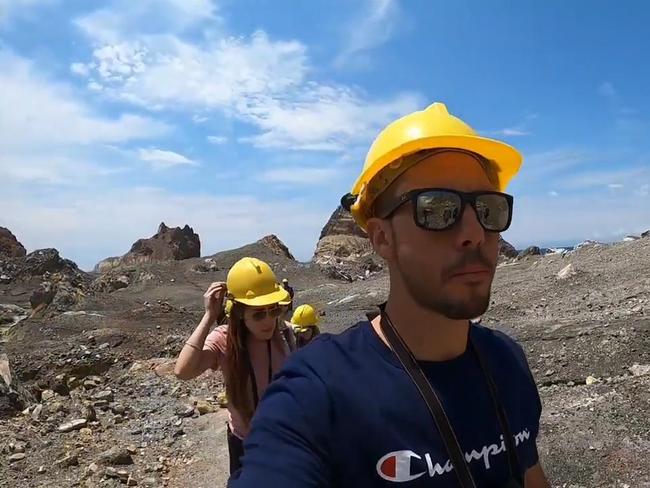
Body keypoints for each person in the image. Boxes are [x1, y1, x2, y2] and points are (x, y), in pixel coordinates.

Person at [229, 103, 550, 487]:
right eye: (436, 209)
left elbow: (530, 476)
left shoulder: (508, 362)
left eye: (488, 208)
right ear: (382, 237)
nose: (475, 233)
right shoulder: (318, 394)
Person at [173, 257, 296, 474]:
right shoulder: (224, 339)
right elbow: (183, 372)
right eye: (258, 314)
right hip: (244, 444)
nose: (268, 321)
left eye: (274, 311)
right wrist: (209, 316)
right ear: (239, 313)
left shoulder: (284, 333)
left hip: (283, 438)